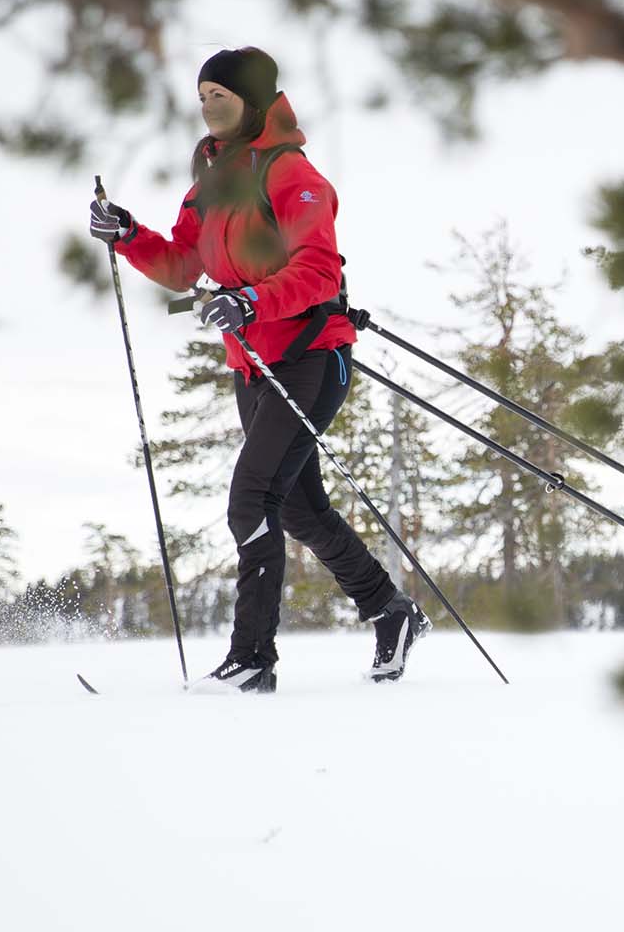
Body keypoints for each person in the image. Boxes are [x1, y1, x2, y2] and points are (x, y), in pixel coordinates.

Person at [88, 46, 428, 693]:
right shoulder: (211, 180)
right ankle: (391, 610)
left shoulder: (291, 173)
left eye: (222, 95)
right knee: (297, 508)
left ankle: (252, 659)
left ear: (255, 100)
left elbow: (318, 269)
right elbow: (184, 266)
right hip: (254, 365)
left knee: (252, 497)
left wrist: (249, 299)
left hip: (310, 356)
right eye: (203, 96)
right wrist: (128, 235)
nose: (210, 107)